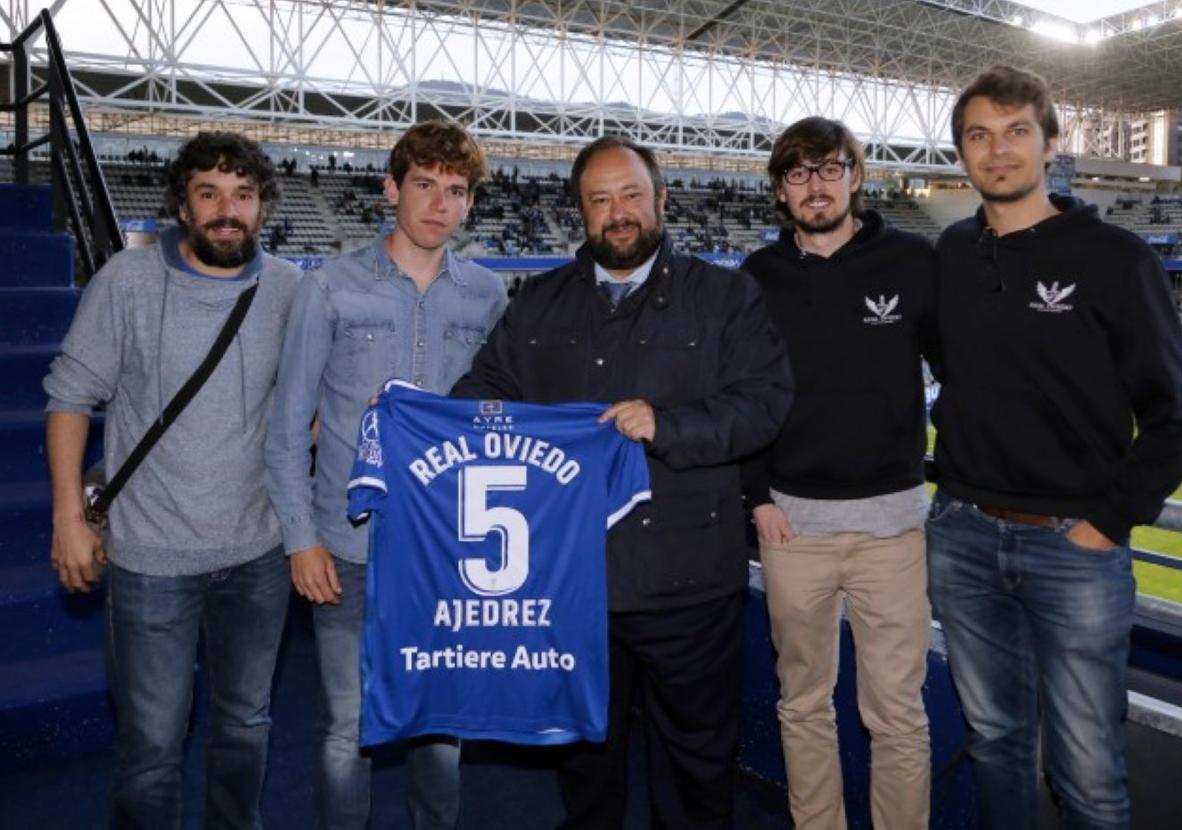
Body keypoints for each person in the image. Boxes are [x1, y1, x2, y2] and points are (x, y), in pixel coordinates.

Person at [451, 135, 792, 829]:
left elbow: (764, 404)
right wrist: (409, 415)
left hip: (689, 585)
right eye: (600, 200)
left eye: (631, 194)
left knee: (696, 768)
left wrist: (668, 425)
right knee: (585, 766)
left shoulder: (725, 296)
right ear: (581, 213)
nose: (619, 212)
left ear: (661, 199)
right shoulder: (539, 303)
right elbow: (480, 395)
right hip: (575, 587)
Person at [927, 65, 1182, 829]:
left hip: (1072, 549)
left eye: (1017, 132)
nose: (998, 150)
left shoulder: (1116, 258)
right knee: (995, 745)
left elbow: (1172, 414)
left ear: (1052, 143)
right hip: (964, 537)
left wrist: (1103, 525)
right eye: (979, 135)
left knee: (1087, 775)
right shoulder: (948, 253)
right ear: (962, 153)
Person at [44, 131, 300, 828]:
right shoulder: (125, 283)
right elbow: (69, 398)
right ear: (182, 207)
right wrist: (69, 517)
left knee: (247, 726)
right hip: (151, 561)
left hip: (257, 555)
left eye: (243, 196)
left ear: (262, 207)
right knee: (152, 748)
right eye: (209, 193)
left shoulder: (288, 289)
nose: (228, 210)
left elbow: (307, 399)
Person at [264, 120, 506, 830]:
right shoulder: (330, 288)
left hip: (448, 552)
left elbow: (499, 419)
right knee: (348, 728)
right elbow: (286, 428)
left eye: (455, 191)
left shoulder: (487, 297)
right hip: (349, 546)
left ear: (470, 204)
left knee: (440, 728)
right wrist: (299, 540)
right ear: (391, 188)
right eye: (424, 185)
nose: (439, 204)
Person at [742, 117, 936, 830]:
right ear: (780, 191)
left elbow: (965, 377)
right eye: (798, 173)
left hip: (892, 528)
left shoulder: (914, 262)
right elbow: (745, 395)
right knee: (802, 704)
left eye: (829, 169)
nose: (815, 185)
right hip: (794, 527)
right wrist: (755, 496)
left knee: (897, 714)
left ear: (856, 176)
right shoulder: (759, 278)